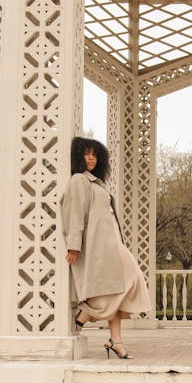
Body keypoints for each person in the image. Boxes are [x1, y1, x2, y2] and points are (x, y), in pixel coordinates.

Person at [61, 136, 151, 359]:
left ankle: (113, 339)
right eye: (86, 154)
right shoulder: (79, 181)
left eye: (94, 154)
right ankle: (87, 318)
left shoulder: (97, 183)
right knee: (121, 284)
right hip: (98, 246)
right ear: (78, 156)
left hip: (112, 242)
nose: (91, 158)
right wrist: (74, 245)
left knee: (128, 282)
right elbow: (75, 214)